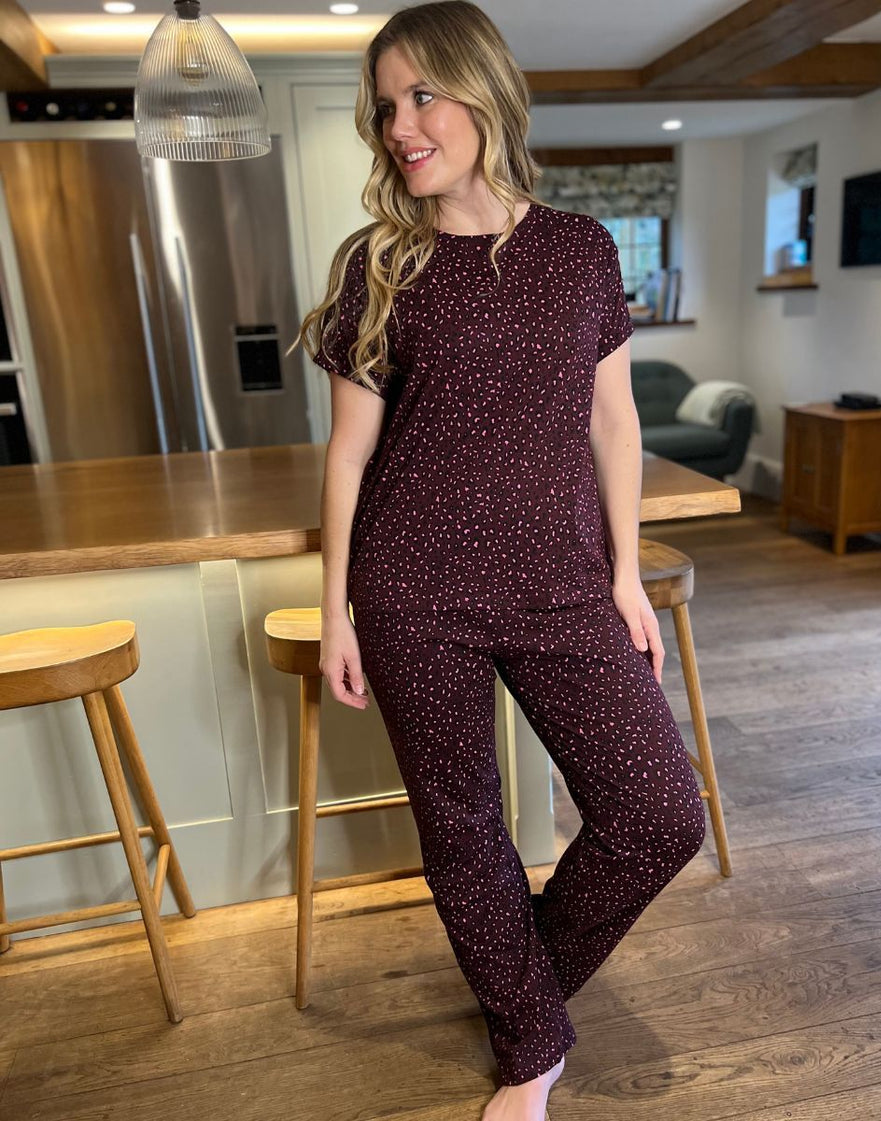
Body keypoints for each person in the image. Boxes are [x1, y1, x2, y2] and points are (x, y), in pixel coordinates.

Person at [298, 3, 706, 1118]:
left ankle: (522, 996)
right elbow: (347, 456)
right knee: (464, 821)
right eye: (386, 107)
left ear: (484, 91)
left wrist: (624, 575)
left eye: (422, 95)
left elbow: (616, 425)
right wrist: (335, 609)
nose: (401, 126)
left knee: (659, 813)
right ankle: (530, 1052)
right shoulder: (377, 262)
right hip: (412, 582)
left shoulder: (580, 249)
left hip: (565, 577)